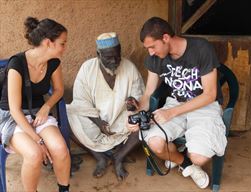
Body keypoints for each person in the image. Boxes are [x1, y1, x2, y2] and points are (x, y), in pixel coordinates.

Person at [127, 17, 227, 189]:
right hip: (175, 102)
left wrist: (172, 113)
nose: (150, 52)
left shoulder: (201, 48)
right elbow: (149, 92)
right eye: (147, 48)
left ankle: (186, 156)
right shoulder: (156, 58)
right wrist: (135, 115)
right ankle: (186, 164)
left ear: (165, 38)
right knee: (156, 143)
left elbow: (210, 94)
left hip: (204, 105)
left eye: (152, 46)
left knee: (199, 157)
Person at [0, 17, 70, 192]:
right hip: (12, 116)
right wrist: (38, 140)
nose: (64, 47)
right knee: (34, 154)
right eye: (62, 43)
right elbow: (15, 110)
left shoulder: (53, 63)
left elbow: (59, 90)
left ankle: (64, 189)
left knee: (60, 148)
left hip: (38, 112)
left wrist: (47, 107)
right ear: (48, 42)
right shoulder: (17, 64)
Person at [66, 32, 144, 181]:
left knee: (146, 122)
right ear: (98, 54)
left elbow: (138, 96)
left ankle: (119, 157)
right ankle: (101, 157)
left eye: (117, 55)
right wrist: (99, 123)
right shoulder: (87, 69)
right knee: (67, 116)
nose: (114, 61)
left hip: (121, 119)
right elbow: (81, 102)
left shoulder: (129, 67)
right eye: (108, 57)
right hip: (95, 120)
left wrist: (132, 104)